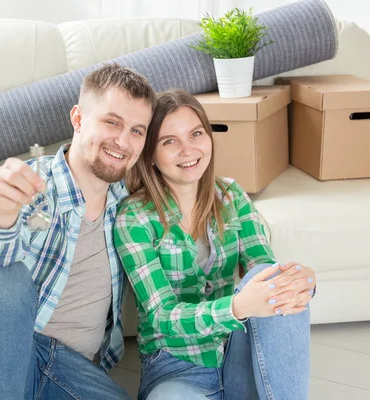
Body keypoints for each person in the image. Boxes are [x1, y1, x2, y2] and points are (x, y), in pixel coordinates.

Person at [0, 63, 157, 400]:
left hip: (67, 370)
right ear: (78, 118)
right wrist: (2, 214)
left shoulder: (130, 204)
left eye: (137, 130)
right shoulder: (35, 187)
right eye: (112, 122)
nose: (123, 141)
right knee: (2, 278)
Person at [114, 89, 316, 400]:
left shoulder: (231, 196)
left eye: (196, 134)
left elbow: (264, 269)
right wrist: (235, 307)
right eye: (170, 141)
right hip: (176, 366)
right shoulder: (135, 218)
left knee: (276, 279)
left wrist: (302, 280)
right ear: (150, 154)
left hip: (240, 355)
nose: (188, 149)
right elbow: (161, 315)